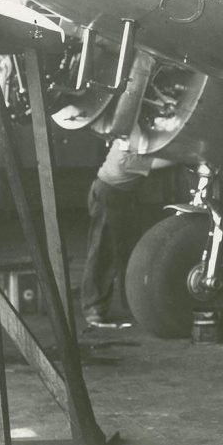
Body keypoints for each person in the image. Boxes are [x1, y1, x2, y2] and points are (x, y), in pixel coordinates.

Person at [81, 140, 171, 327]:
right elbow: (163, 163)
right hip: (109, 195)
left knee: (126, 251)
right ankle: (93, 308)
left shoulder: (125, 141)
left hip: (118, 195)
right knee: (102, 253)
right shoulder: (126, 157)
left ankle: (128, 302)